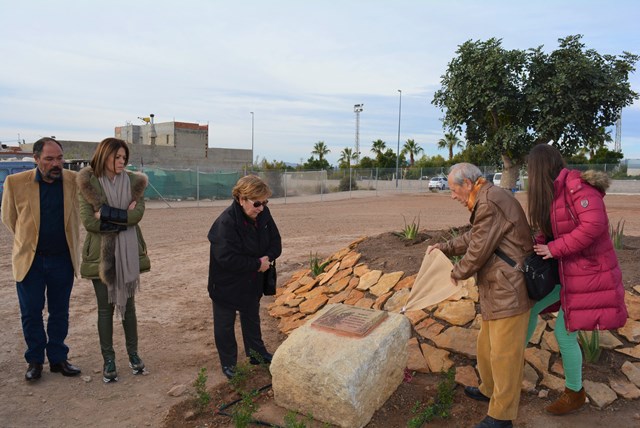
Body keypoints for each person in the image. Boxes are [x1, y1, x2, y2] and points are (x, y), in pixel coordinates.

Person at [525, 144, 627, 414]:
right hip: (567, 273)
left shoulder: (576, 187)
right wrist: (540, 243)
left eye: (529, 171)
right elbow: (554, 229)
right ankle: (510, 363)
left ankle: (574, 392)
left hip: (588, 275)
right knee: (530, 308)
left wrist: (554, 249)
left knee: (563, 334)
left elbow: (593, 226)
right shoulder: (555, 192)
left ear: (539, 169)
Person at [427, 163, 532, 428]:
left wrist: (455, 272)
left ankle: (501, 416)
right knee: (486, 348)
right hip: (497, 286)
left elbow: (478, 250)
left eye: (453, 189)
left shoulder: (489, 201)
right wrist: (444, 248)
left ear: (467, 184)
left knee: (504, 354)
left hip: (508, 288)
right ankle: (489, 390)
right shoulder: (487, 198)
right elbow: (475, 237)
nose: (452, 196)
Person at [1, 137, 82, 381]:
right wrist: (29, 242)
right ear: (36, 159)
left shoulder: (74, 180)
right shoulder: (15, 183)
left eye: (59, 158)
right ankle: (35, 361)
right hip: (30, 261)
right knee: (31, 312)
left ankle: (58, 358)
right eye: (49, 159)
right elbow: (9, 218)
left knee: (60, 312)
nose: (56, 164)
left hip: (62, 260)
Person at [77, 137, 150, 383]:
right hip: (101, 256)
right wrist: (121, 216)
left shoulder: (133, 182)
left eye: (124, 158)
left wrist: (106, 214)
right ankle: (108, 359)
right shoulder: (88, 182)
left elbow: (137, 215)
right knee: (105, 309)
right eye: (117, 157)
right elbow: (89, 222)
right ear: (104, 156)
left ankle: (133, 355)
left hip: (128, 253)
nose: (122, 161)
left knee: (129, 308)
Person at [207, 175, 282, 379]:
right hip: (226, 284)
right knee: (224, 325)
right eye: (257, 203)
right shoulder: (226, 222)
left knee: (251, 318)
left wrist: (269, 256)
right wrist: (257, 264)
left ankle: (256, 354)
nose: (261, 208)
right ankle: (229, 363)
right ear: (241, 199)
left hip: (252, 282)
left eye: (265, 202)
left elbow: (276, 241)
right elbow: (226, 258)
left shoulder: (264, 215)